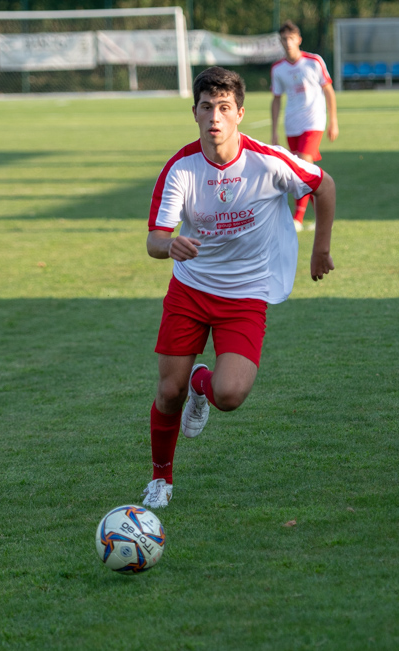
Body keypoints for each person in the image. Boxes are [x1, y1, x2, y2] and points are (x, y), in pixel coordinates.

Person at [143, 66, 337, 509]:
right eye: (207, 107)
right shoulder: (180, 169)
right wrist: (170, 245)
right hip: (190, 292)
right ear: (195, 113)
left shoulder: (267, 161)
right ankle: (160, 480)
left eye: (224, 107)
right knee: (168, 392)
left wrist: (320, 249)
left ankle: (202, 384)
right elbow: (154, 240)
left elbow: (324, 185)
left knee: (229, 395)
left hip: (245, 295)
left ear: (240, 114)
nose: (215, 116)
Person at [270, 21, 338, 232]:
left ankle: (297, 219)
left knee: (303, 162)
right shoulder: (278, 69)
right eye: (284, 39)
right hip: (292, 124)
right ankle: (322, 215)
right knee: (301, 170)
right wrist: (274, 131)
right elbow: (276, 99)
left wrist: (333, 121)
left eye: (291, 38)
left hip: (314, 120)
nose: (288, 43)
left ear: (298, 40)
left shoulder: (314, 61)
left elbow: (328, 90)